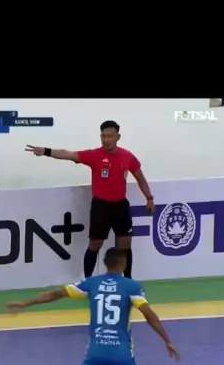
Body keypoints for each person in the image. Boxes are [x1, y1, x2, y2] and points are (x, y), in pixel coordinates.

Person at [7, 247, 180, 365]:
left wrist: (25, 303)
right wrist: (167, 340)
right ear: (124, 265)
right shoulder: (132, 287)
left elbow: (55, 294)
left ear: (105, 263)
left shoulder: (91, 284)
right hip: (122, 356)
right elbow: (149, 315)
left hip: (96, 354)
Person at [25, 120, 155, 280]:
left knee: (125, 244)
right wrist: (46, 151)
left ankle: (128, 281)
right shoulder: (94, 156)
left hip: (120, 206)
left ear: (118, 137)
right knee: (95, 245)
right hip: (101, 207)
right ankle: (87, 282)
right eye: (103, 136)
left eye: (110, 136)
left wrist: (149, 198)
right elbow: (68, 154)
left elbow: (140, 177)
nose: (106, 139)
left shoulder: (127, 156)